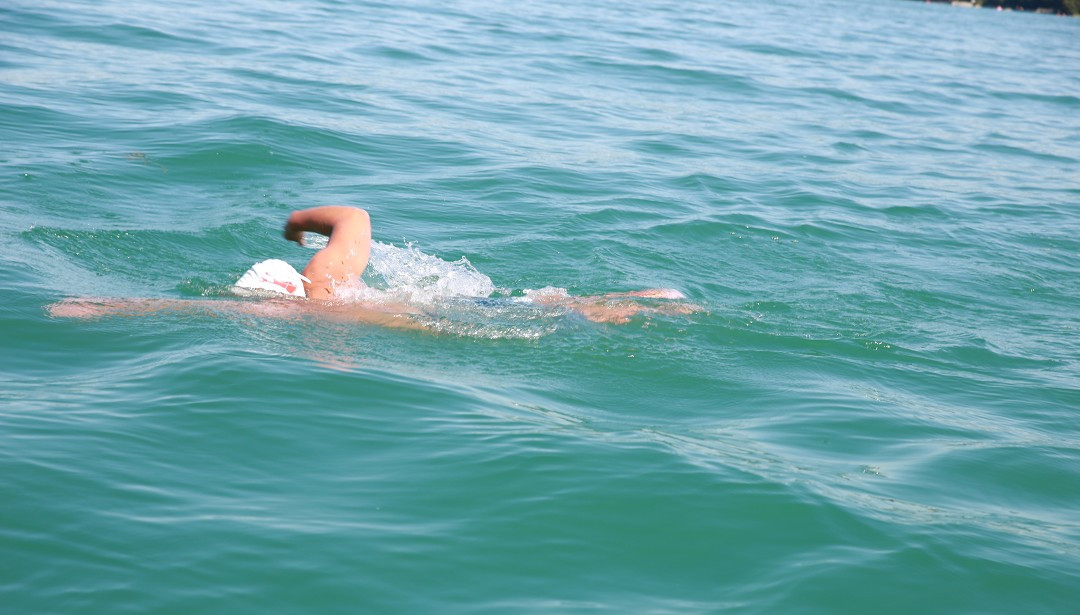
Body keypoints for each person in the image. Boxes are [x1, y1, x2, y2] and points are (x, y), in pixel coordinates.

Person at [50, 206, 694, 326]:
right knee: (535, 299)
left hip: (433, 314)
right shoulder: (332, 272)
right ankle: (638, 294)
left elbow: (194, 309)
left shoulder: (317, 307)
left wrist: (112, 306)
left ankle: (624, 306)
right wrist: (297, 224)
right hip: (439, 300)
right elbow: (354, 214)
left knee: (542, 312)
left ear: (280, 296)